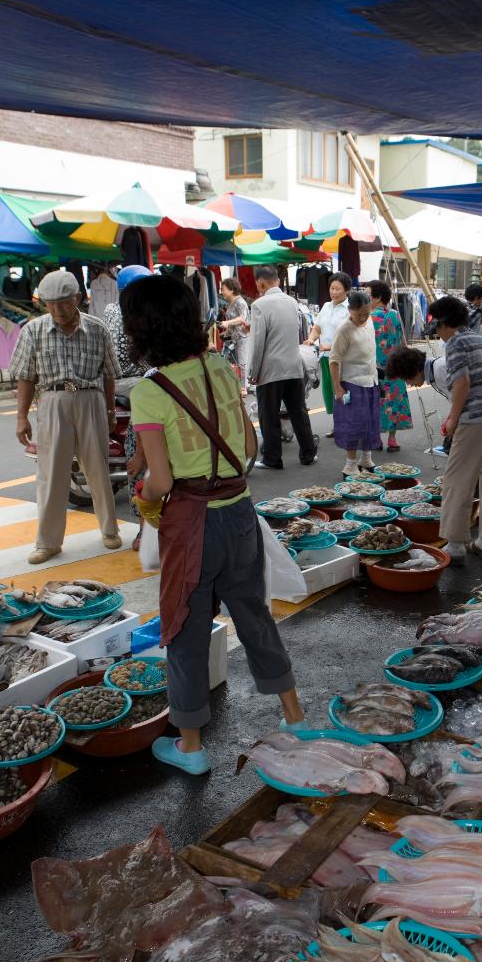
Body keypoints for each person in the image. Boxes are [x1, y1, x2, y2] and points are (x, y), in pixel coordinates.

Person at [123, 275, 304, 776]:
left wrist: (144, 496)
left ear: (141, 329)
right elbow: (247, 448)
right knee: (255, 617)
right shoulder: (221, 367)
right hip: (240, 513)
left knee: (185, 630)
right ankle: (295, 716)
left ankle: (190, 747)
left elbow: (160, 481)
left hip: (191, 524)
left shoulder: (149, 390)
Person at [10, 269, 122, 565]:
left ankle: (109, 529)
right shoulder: (33, 331)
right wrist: (21, 417)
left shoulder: (98, 329)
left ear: (78, 298)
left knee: (98, 468)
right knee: (51, 474)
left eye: (63, 302)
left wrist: (110, 410)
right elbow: (25, 377)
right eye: (50, 303)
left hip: (91, 399)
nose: (57, 309)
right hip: (52, 400)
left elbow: (109, 375)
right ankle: (48, 542)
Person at [420, 296, 482, 564]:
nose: (438, 334)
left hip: (478, 421)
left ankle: (455, 545)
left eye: (437, 328)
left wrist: (452, 419)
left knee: (458, 481)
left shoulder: (456, 343)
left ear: (445, 325)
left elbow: (461, 383)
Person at [247, 264, 318, 470]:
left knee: (269, 416)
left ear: (260, 283)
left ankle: (272, 458)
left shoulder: (259, 305)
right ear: (277, 281)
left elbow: (258, 342)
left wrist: (253, 371)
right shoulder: (291, 302)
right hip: (293, 364)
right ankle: (308, 453)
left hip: (271, 369)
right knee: (298, 412)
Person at [104, 264, 152, 552]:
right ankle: (144, 527)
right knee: (140, 449)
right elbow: (132, 359)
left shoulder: (116, 310)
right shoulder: (131, 314)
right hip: (134, 381)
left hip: (129, 381)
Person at [329, 290, 381, 476]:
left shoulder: (370, 321)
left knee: (370, 421)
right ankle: (350, 465)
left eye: (367, 314)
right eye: (360, 315)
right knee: (353, 424)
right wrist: (337, 388)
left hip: (371, 379)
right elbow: (334, 360)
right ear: (350, 310)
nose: (364, 318)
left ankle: (366, 458)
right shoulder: (344, 329)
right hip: (352, 382)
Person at [368, 279, 413, 452]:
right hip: (395, 366)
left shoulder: (368, 317)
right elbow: (402, 341)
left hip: (374, 368)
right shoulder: (394, 314)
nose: (367, 298)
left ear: (378, 297)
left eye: (368, 295)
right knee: (395, 401)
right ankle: (392, 439)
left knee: (377, 402)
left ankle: (377, 438)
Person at [307, 271, 350, 436]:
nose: (333, 292)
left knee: (342, 389)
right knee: (329, 390)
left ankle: (345, 424)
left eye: (337, 289)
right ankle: (337, 424)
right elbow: (317, 328)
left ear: (346, 290)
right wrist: (311, 339)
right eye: (331, 288)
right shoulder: (326, 306)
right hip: (325, 356)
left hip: (342, 357)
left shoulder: (350, 308)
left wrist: (330, 346)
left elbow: (350, 335)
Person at [218, 278, 250, 395]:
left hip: (242, 337)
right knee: (231, 362)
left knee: (242, 362)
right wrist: (226, 333)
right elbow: (232, 320)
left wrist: (227, 323)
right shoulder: (230, 302)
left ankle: (243, 387)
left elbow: (242, 318)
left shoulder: (240, 302)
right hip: (232, 338)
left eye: (223, 289)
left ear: (231, 290)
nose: (222, 292)